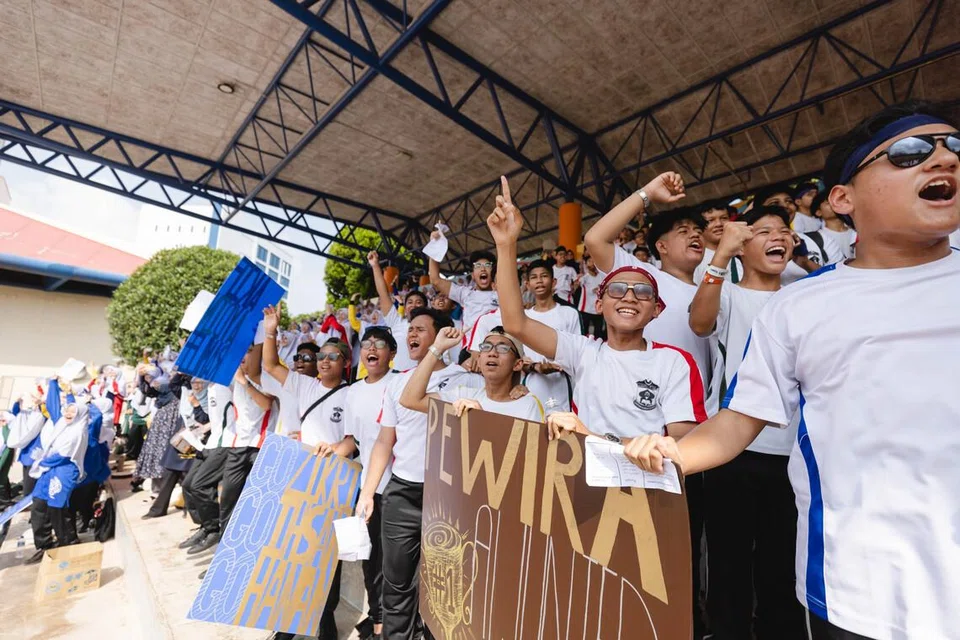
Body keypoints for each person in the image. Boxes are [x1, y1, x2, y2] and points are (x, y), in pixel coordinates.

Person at [625, 101, 960, 640]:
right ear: (843, 198)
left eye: (954, 146)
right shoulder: (797, 306)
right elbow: (737, 416)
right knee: (737, 566)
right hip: (858, 596)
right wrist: (657, 457)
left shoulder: (796, 289)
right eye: (909, 152)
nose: (944, 159)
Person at [583, 173, 714, 637]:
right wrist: (647, 195)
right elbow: (595, 238)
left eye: (699, 230)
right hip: (642, 443)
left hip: (694, 435)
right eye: (682, 230)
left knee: (678, 562)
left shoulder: (716, 285)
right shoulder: (643, 281)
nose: (695, 235)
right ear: (659, 247)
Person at [489, 175, 705, 442]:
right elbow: (515, 323)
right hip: (585, 470)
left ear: (656, 309)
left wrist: (593, 438)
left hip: (641, 471)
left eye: (642, 292)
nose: (629, 297)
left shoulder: (674, 361)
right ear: (599, 305)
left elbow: (683, 443)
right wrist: (506, 244)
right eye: (617, 289)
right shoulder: (583, 352)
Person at [688, 205, 805, 639]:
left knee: (782, 563)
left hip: (793, 453)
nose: (779, 237)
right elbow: (699, 323)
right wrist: (720, 254)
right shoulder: (729, 294)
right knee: (729, 561)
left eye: (784, 231)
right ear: (742, 245)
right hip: (732, 448)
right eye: (764, 231)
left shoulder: (803, 297)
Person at [356, 308, 483, 640]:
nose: (411, 334)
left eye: (420, 329)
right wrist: (368, 493)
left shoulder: (468, 380)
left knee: (445, 590)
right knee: (396, 585)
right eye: (409, 329)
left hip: (448, 498)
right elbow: (385, 440)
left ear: (443, 334)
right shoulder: (397, 382)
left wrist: (437, 352)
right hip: (401, 493)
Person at [263, 307, 350, 640]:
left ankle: (325, 622)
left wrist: (336, 449)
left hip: (335, 483)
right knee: (293, 552)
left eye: (333, 356)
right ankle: (287, 624)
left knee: (327, 557)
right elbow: (270, 366)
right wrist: (270, 331)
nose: (325, 361)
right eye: (322, 356)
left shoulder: (353, 394)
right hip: (301, 478)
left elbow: (355, 439)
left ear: (345, 363)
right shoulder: (304, 385)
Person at [327, 326, 399, 640]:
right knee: (370, 561)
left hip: (400, 486)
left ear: (392, 353)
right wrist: (327, 451)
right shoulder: (353, 392)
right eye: (367, 343)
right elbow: (352, 441)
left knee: (395, 563)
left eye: (379, 344)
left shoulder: (401, 383)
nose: (371, 348)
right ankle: (379, 621)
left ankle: (395, 624)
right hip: (367, 489)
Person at [467, 259, 580, 414]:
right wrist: (534, 367)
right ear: (528, 284)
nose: (539, 281)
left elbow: (577, 356)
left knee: (559, 423)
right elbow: (514, 359)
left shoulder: (569, 314)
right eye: (534, 277)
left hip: (561, 385)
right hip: (527, 387)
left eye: (544, 276)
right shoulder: (521, 319)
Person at [401, 325, 543, 422]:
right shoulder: (463, 396)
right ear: (479, 360)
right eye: (486, 347)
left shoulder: (528, 404)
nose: (492, 353)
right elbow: (410, 400)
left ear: (518, 364)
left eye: (502, 348)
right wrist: (438, 347)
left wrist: (479, 420)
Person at [7, 395, 89, 563]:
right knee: (39, 503)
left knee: (57, 509)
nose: (68, 414)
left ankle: (68, 545)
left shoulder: (78, 431)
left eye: (73, 412)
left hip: (64, 470)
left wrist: (42, 462)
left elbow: (63, 455)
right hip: (50, 469)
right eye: (67, 410)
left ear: (80, 415)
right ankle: (44, 545)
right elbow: (52, 407)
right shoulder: (61, 425)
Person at [219, 345, 276, 539]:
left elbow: (266, 404)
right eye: (241, 351)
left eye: (250, 351)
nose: (243, 355)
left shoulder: (266, 379)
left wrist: (245, 382)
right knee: (228, 497)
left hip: (260, 446)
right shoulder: (234, 378)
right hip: (239, 445)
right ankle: (225, 544)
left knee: (256, 500)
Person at [178, 382, 235, 555]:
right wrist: (204, 428)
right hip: (210, 442)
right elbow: (215, 418)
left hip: (226, 443)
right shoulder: (210, 387)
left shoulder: (229, 384)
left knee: (200, 485)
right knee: (188, 485)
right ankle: (205, 525)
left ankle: (214, 529)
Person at [753, 185, 843, 284]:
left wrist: (805, 262)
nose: (785, 206)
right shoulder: (751, 247)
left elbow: (841, 278)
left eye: (789, 201)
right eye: (774, 203)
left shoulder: (820, 238)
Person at [369, 250, 428, 371]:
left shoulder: (432, 327)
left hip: (423, 378)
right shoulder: (396, 322)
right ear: (405, 308)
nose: (414, 305)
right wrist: (375, 266)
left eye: (418, 302)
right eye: (410, 302)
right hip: (397, 377)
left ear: (425, 307)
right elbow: (383, 293)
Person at [428, 246, 498, 339]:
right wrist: (435, 244)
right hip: (471, 347)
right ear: (473, 275)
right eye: (478, 266)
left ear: (493, 273)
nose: (483, 269)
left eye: (487, 265)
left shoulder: (503, 294)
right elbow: (435, 280)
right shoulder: (465, 293)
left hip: (496, 344)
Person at [694, 201, 742, 283]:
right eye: (711, 220)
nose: (719, 224)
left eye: (724, 218)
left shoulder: (738, 255)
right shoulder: (696, 259)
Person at [811, 191, 857, 261]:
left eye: (837, 201)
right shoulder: (820, 238)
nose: (834, 204)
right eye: (828, 203)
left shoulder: (856, 231)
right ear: (818, 212)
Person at [577, 252, 606, 339]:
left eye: (594, 261)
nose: (592, 263)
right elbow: (577, 284)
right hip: (585, 309)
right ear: (586, 264)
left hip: (598, 309)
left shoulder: (602, 276)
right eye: (590, 261)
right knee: (583, 333)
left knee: (598, 334)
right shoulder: (584, 278)